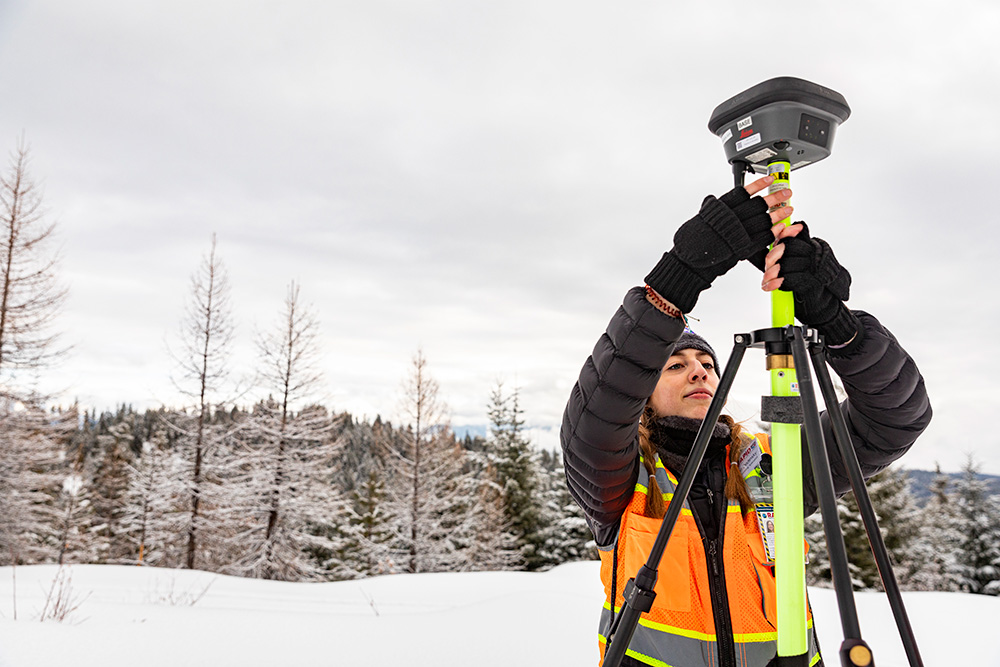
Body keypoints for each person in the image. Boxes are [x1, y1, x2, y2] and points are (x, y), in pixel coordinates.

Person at [560, 175, 931, 667]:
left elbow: (894, 418)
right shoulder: (623, 481)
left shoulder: (774, 465)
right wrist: (678, 279)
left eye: (708, 364)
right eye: (675, 365)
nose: (698, 369)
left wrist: (835, 322)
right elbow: (598, 414)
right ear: (644, 395)